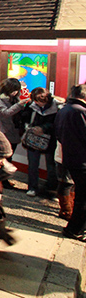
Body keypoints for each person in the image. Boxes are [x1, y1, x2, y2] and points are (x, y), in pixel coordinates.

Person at [56, 84, 86, 241]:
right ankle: (75, 229)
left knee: (79, 194)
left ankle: (75, 227)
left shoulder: (65, 109)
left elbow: (58, 133)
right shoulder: (79, 111)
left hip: (71, 157)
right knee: (82, 197)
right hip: (81, 160)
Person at [19, 87, 59, 198]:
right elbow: (24, 118)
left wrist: (43, 128)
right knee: (33, 164)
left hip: (50, 139)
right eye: (37, 101)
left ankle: (51, 189)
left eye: (41, 101)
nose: (39, 104)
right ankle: (32, 187)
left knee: (51, 165)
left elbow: (56, 123)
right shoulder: (31, 105)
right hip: (34, 138)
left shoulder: (56, 106)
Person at [0, 78, 27, 155]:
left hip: (16, 128)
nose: (15, 93)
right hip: (5, 129)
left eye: (17, 90)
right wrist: (19, 105)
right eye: (13, 91)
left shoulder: (15, 96)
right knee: (5, 155)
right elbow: (5, 113)